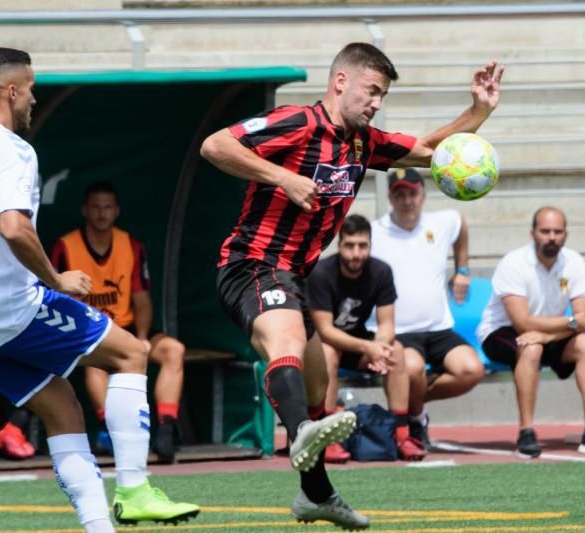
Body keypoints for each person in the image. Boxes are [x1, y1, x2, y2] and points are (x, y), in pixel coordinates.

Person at [201, 42, 502, 529]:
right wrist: (282, 176)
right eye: (372, 91)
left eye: (382, 95)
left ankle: (315, 493)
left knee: (318, 380)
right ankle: (299, 431)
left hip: (292, 276)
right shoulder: (298, 122)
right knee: (289, 344)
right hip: (252, 263)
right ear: (341, 82)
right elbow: (216, 145)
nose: (377, 103)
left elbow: (430, 153)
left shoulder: (363, 143)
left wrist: (478, 111)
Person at [0, 48, 198, 531]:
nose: (35, 100)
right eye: (33, 89)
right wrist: (56, 279)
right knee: (132, 352)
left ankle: (98, 525)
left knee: (63, 408)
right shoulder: (13, 149)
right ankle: (134, 489)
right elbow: (14, 228)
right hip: (7, 309)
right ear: (12, 91)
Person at [50, 181, 185, 464]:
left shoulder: (130, 245)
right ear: (85, 211)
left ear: (117, 211)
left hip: (129, 326)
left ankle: (166, 429)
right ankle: (109, 429)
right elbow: (52, 295)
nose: (102, 214)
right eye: (96, 208)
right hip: (87, 329)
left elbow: (142, 299)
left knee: (174, 350)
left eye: (107, 207)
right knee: (95, 362)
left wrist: (144, 336)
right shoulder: (66, 245)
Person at [476, 206, 585, 458]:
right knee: (531, 348)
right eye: (545, 231)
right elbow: (522, 322)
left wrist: (548, 335)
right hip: (499, 332)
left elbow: (583, 322)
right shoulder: (514, 262)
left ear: (566, 235)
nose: (551, 237)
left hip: (549, 333)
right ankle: (526, 432)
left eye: (557, 231)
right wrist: (563, 327)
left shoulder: (573, 262)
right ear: (533, 233)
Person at [369, 168, 485, 449]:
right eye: (400, 195)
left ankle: (410, 400)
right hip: (398, 333)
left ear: (423, 194)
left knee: (472, 369)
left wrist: (463, 269)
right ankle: (417, 417)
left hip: (438, 328)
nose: (407, 200)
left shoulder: (443, 222)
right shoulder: (374, 232)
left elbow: (462, 226)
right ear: (390, 197)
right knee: (411, 369)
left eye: (412, 193)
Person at [306, 214, 425, 464]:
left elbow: (387, 324)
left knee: (397, 350)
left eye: (362, 246)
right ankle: (328, 438)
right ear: (339, 246)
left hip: (358, 344)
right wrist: (368, 347)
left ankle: (401, 435)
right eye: (350, 245)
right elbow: (325, 330)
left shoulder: (381, 271)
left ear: (370, 246)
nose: (356, 253)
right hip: (323, 346)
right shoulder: (321, 273)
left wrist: (380, 349)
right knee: (328, 351)